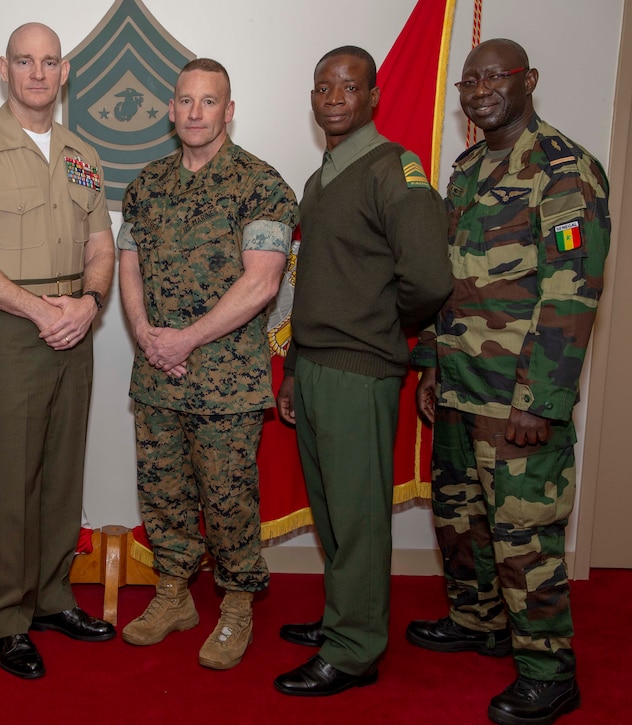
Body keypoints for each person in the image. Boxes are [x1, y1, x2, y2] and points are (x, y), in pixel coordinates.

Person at [407, 39, 609, 725]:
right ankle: (479, 621)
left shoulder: (564, 171)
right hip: (461, 386)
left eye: (495, 76)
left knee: (524, 537)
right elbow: (445, 279)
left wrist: (542, 403)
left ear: (529, 81)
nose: (480, 89)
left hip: (516, 397)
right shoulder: (466, 169)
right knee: (460, 520)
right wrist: (432, 362)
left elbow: (572, 294)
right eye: (470, 80)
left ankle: (550, 673)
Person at [0, 22, 116, 680]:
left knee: (62, 473)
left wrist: (90, 304)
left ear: (64, 72)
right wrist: (41, 310)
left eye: (48, 62)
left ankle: (52, 597)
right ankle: (7, 615)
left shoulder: (83, 152)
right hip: (13, 326)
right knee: (11, 479)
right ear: (3, 69)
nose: (37, 73)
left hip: (75, 322)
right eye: (23, 61)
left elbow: (101, 246)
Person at [272, 46, 451, 696]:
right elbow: (317, 287)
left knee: (358, 515)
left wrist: (379, 325)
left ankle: (354, 652)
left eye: (349, 87)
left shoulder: (392, 170)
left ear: (373, 97)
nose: (335, 98)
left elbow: (430, 277)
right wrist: (293, 367)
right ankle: (342, 617)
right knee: (332, 511)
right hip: (316, 366)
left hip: (358, 371)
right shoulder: (320, 181)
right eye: (323, 87)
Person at [116, 58, 296, 670]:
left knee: (227, 500)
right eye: (185, 101)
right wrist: (144, 333)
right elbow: (129, 265)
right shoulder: (145, 184)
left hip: (226, 381)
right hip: (158, 377)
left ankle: (237, 606)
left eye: (209, 101)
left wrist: (184, 339)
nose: (196, 112)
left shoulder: (261, 184)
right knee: (162, 494)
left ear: (229, 109)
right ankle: (174, 597)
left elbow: (263, 282)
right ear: (170, 109)